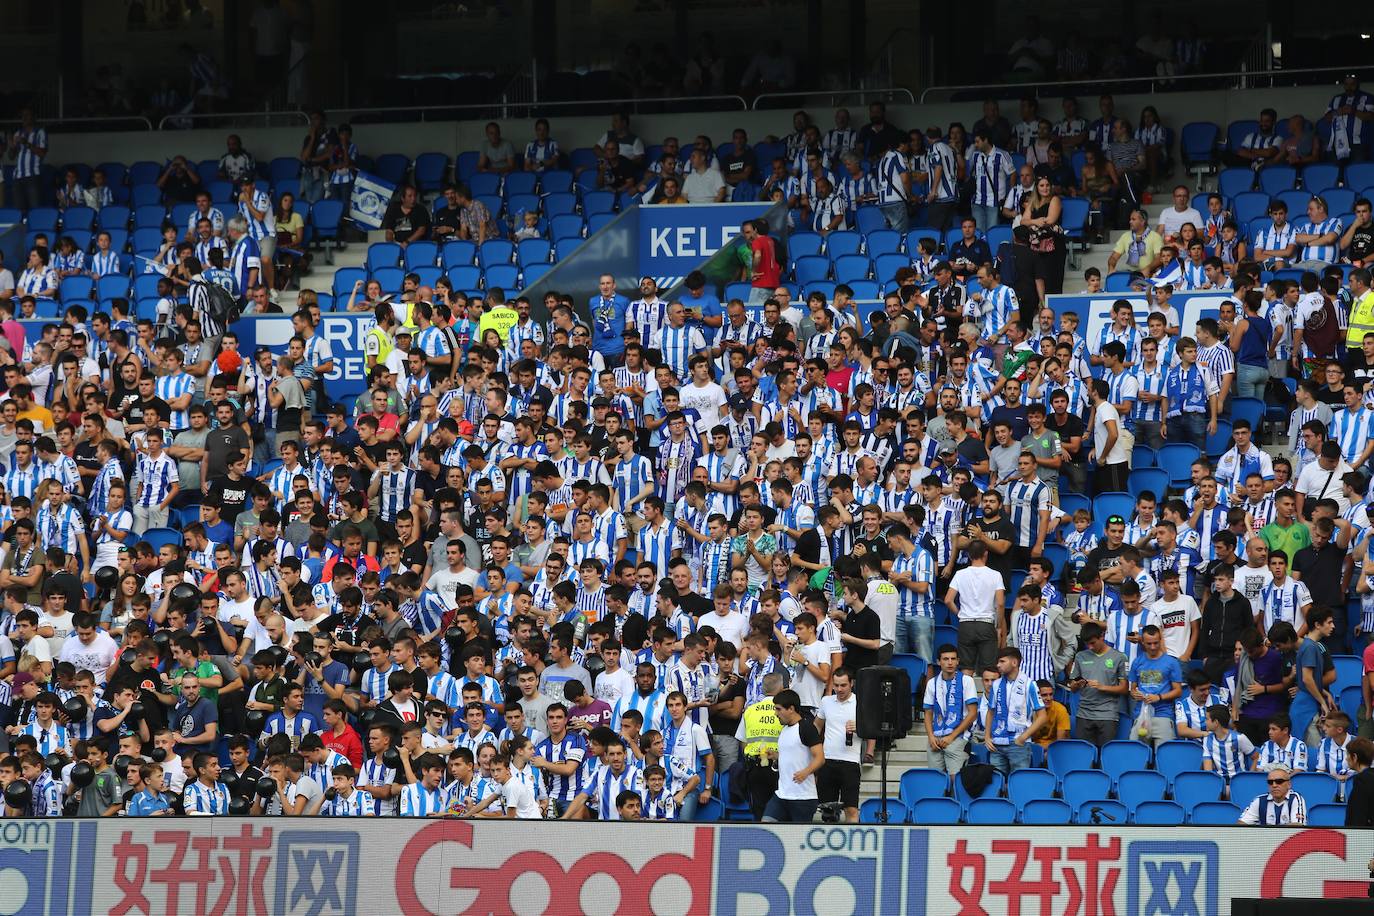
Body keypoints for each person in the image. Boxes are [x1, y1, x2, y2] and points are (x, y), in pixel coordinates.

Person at [979, 647, 1047, 774]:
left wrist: (1023, 737)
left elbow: (1042, 716)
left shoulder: (1029, 684)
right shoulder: (996, 684)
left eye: (1002, 661)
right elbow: (990, 711)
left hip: (1018, 742)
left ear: (1014, 663)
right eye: (998, 662)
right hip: (997, 742)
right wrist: (987, 736)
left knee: (1018, 782)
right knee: (996, 781)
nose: (998, 665)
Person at [762, 689, 823, 823]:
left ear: (791, 709)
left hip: (803, 797)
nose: (775, 713)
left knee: (797, 839)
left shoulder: (806, 727)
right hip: (782, 794)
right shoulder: (784, 730)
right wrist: (776, 756)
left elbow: (820, 757)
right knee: (766, 824)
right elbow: (794, 754)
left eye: (778, 709)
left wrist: (805, 772)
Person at [1237, 766, 1307, 825]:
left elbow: (1298, 826)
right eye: (1270, 782)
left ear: (1289, 784)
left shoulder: (1295, 798)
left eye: (1279, 781)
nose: (1274, 785)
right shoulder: (1259, 800)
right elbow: (1240, 824)